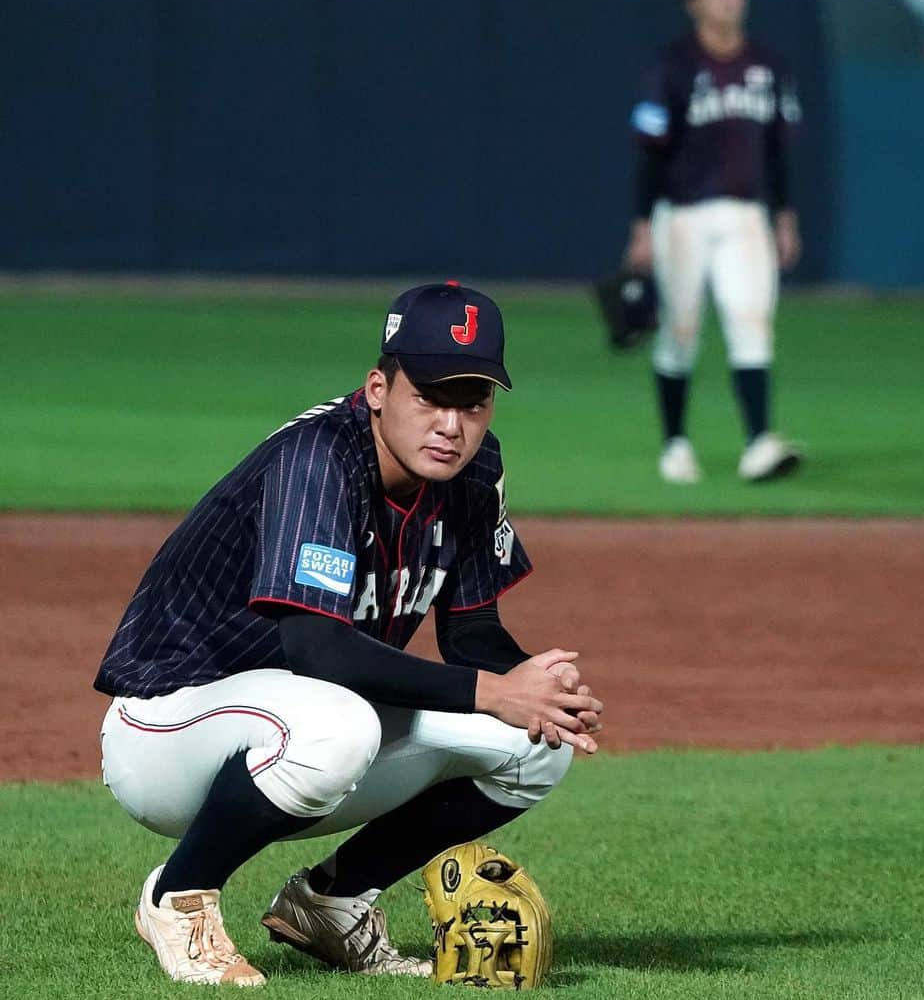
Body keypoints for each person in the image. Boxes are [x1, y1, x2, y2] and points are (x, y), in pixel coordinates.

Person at [94, 281, 604, 987]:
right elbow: (318, 649)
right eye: (429, 395)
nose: (451, 425)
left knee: (531, 747)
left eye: (472, 401)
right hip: (168, 727)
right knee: (342, 723)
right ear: (377, 388)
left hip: (297, 724)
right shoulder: (319, 460)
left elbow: (473, 633)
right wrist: (493, 691)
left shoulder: (475, 472)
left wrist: (537, 690)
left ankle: (331, 902)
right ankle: (176, 898)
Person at [624, 0, 804, 484]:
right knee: (680, 331)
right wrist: (641, 225)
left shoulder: (768, 66)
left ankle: (758, 445)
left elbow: (777, 152)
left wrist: (785, 214)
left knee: (752, 324)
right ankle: (676, 445)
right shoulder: (673, 66)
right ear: (694, 4)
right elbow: (650, 151)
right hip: (681, 216)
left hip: (747, 214)